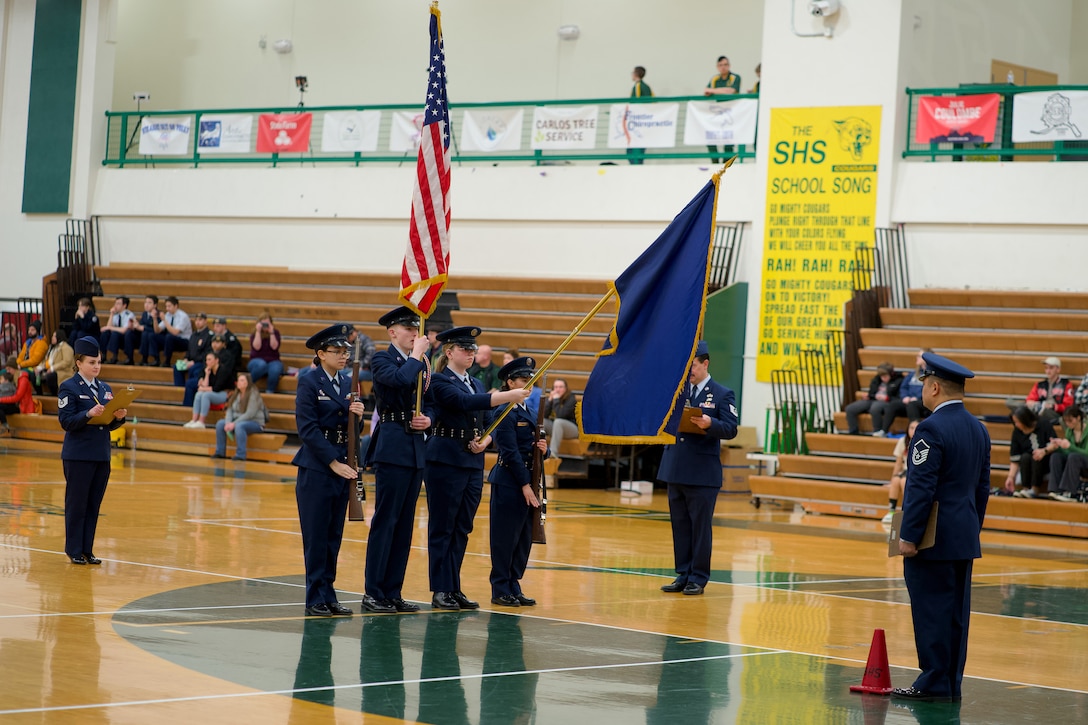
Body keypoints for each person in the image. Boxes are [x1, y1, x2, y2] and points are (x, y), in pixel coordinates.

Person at [894, 351, 990, 702]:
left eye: (923, 384)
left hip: (932, 539)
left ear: (934, 387)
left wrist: (909, 535)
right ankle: (950, 681)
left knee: (931, 609)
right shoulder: (979, 429)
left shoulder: (930, 429)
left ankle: (933, 680)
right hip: (963, 535)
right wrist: (970, 528)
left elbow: (921, 488)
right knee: (955, 616)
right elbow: (982, 488)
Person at [425, 326, 530, 611]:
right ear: (449, 353)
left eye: (473, 349)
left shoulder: (476, 383)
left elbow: (487, 421)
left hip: (471, 461)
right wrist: (508, 396)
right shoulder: (439, 380)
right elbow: (463, 403)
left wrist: (487, 439)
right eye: (464, 349)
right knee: (442, 527)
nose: (470, 353)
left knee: (462, 527)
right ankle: (440, 589)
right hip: (445, 459)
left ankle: (454, 587)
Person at [361, 306, 432, 614]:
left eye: (416, 330)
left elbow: (431, 399)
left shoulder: (421, 363)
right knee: (386, 521)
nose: (414, 334)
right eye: (408, 330)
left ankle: (393, 591)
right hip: (392, 446)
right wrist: (417, 353)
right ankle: (373, 591)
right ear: (392, 333)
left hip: (415, 447)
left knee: (404, 525)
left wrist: (429, 420)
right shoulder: (382, 358)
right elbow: (401, 382)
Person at [292, 323, 364, 617]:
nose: (343, 356)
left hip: (343, 464)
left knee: (334, 535)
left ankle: (329, 594)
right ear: (321, 353)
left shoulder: (348, 383)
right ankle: (315, 598)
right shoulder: (309, 381)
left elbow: (349, 430)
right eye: (337, 351)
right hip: (318, 467)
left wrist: (358, 417)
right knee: (316, 536)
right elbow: (307, 429)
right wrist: (333, 462)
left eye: (346, 351)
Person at [657, 341, 739, 596]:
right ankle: (683, 572)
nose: (689, 371)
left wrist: (709, 423)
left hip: (702, 472)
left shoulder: (722, 393)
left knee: (700, 527)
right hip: (676, 467)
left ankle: (698, 577)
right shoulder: (677, 391)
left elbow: (731, 428)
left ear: (705, 364)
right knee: (680, 524)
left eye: (692, 366)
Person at [57, 336, 128, 565]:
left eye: (98, 362)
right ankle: (74, 549)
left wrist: (118, 418)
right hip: (78, 456)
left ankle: (88, 549)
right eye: (91, 362)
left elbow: (108, 424)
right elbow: (66, 421)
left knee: (93, 504)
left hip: (100, 455)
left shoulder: (105, 389)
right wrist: (88, 414)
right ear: (78, 362)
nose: (96, 366)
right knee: (77, 504)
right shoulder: (69, 387)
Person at [487, 355, 548, 607]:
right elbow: (510, 452)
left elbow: (535, 447)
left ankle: (514, 583)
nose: (528, 385)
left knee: (523, 537)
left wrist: (545, 449)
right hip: (511, 481)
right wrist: (524, 485)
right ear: (510, 383)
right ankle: (500, 587)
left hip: (529, 479)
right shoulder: (504, 411)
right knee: (505, 537)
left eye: (530, 380)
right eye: (523, 380)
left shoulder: (530, 412)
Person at [1006, 356, 1074, 428]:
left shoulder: (1066, 384)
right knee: (1009, 402)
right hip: (1037, 408)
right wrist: (1031, 402)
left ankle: (1032, 410)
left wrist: (1053, 406)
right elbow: (1030, 399)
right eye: (1046, 368)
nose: (1048, 371)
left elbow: (1068, 406)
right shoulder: (1040, 385)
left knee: (1040, 410)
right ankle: (1032, 409)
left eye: (1051, 368)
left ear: (1058, 369)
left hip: (1053, 412)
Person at [212, 372, 267, 461]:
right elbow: (230, 410)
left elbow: (250, 414)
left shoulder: (254, 395)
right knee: (220, 424)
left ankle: (240, 454)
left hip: (255, 423)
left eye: (242, 380)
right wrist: (228, 423)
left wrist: (234, 423)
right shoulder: (236, 394)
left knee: (240, 426)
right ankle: (220, 452)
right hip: (238, 421)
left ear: (247, 383)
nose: (238, 382)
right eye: (238, 380)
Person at [1006, 406, 1056, 498]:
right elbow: (1015, 458)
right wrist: (1010, 477)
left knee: (1037, 456)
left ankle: (1035, 489)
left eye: (1017, 422)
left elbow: (1054, 444)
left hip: (1045, 460)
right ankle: (1025, 489)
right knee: (1025, 457)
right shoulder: (1017, 432)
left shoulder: (1043, 423)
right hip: (1028, 462)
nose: (1016, 425)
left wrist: (1044, 451)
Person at [844, 362, 904, 436]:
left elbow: (900, 397)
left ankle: (877, 432)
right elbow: (872, 392)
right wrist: (868, 396)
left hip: (888, 401)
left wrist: (886, 398)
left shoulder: (899, 380)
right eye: (881, 376)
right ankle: (853, 432)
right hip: (873, 399)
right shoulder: (876, 379)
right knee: (850, 408)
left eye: (885, 376)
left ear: (891, 374)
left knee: (875, 408)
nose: (883, 378)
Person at [703, 55, 741, 163]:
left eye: (725, 65)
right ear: (717, 67)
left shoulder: (735, 77)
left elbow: (731, 91)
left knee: (729, 139)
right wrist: (721, 90)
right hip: (718, 113)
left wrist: (714, 91)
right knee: (711, 136)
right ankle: (714, 162)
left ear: (729, 66)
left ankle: (726, 164)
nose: (723, 67)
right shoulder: (715, 79)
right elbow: (706, 90)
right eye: (720, 65)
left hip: (731, 113)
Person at [1045, 406, 1088, 501]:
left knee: (1073, 457)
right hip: (1076, 463)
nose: (1068, 424)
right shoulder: (1069, 431)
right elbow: (1067, 451)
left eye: (1070, 420)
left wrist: (1070, 447)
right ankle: (1055, 490)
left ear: (1078, 418)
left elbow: (1086, 453)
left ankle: (1069, 491)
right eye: (1066, 421)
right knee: (1056, 456)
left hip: (1085, 462)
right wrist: (1058, 446)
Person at [183, 350, 235, 428]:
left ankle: (201, 421)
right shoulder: (208, 369)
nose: (207, 362)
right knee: (198, 394)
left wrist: (203, 389)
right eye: (206, 360)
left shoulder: (223, 370)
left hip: (226, 394)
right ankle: (194, 420)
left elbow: (217, 388)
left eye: (209, 359)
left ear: (216, 360)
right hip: (214, 393)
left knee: (205, 395)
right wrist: (207, 375)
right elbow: (205, 385)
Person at [883, 419, 920, 523]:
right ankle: (891, 512)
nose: (913, 430)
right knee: (895, 481)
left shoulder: (922, 442)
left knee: (904, 482)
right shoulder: (903, 441)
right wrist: (892, 479)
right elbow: (898, 463)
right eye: (911, 428)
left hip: (915, 472)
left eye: (916, 428)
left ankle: (907, 512)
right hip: (905, 471)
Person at [247, 312, 284, 394]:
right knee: (262, 365)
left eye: (267, 323)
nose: (265, 326)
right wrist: (258, 332)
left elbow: (274, 347)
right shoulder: (254, 334)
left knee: (275, 369)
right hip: (256, 360)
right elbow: (257, 347)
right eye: (263, 323)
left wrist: (271, 332)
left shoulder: (275, 333)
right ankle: (247, 386)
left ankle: (270, 391)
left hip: (273, 360)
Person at [150, 295, 192, 367]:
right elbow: (157, 330)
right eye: (166, 306)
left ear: (176, 306)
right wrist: (154, 319)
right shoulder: (168, 315)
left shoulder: (183, 316)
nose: (167, 309)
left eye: (169, 306)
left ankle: (167, 361)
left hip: (184, 341)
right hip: (171, 341)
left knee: (169, 337)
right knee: (153, 336)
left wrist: (164, 320)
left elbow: (175, 332)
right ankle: (156, 359)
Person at [174, 311, 213, 388]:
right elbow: (189, 349)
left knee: (194, 369)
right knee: (177, 366)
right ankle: (179, 388)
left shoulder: (209, 335)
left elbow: (207, 353)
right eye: (196, 320)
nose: (198, 322)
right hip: (190, 361)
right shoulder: (193, 335)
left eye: (200, 320)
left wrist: (194, 362)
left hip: (201, 362)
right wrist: (186, 358)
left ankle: (190, 388)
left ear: (205, 321)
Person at [542, 378, 578, 457]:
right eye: (556, 387)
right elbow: (543, 415)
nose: (558, 389)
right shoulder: (553, 398)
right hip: (556, 429)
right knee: (543, 421)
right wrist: (549, 400)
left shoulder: (571, 399)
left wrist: (556, 400)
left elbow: (561, 415)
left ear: (566, 389)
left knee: (558, 421)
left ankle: (553, 453)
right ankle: (539, 450)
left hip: (572, 429)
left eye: (561, 387)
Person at [0, 356, 35, 436]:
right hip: (16, 405)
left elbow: (17, 397)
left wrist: (1, 400)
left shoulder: (23, 379)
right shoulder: (14, 378)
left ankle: (5, 427)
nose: (7, 371)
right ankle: (5, 425)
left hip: (23, 407)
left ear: (14, 368)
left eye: (9, 369)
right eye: (7, 369)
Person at [98, 296, 136, 365]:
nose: (115, 306)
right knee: (105, 333)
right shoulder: (116, 315)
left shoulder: (129, 315)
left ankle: (115, 357)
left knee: (115, 333)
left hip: (126, 338)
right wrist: (111, 314)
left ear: (124, 305)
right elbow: (108, 327)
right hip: (116, 337)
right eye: (115, 303)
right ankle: (103, 355)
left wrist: (110, 328)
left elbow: (124, 330)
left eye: (118, 304)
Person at [38, 330, 75, 396]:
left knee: (50, 376)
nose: (52, 338)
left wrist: (52, 368)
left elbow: (66, 362)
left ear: (59, 337)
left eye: (54, 336)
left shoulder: (66, 348)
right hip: (51, 369)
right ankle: (40, 394)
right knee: (34, 374)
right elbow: (46, 360)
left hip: (64, 372)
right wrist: (39, 367)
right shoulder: (52, 348)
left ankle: (54, 395)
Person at [628, 66, 652, 165]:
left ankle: (637, 164)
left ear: (636, 74)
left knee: (635, 147)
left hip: (638, 121)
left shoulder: (639, 86)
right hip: (639, 121)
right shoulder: (644, 86)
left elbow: (639, 103)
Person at [134, 294, 160, 365]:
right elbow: (141, 325)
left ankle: (155, 358)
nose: (146, 305)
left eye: (149, 303)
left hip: (158, 336)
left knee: (148, 334)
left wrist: (143, 328)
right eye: (145, 302)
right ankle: (143, 358)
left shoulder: (159, 315)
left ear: (155, 305)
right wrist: (136, 326)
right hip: (146, 335)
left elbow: (158, 330)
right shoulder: (145, 314)